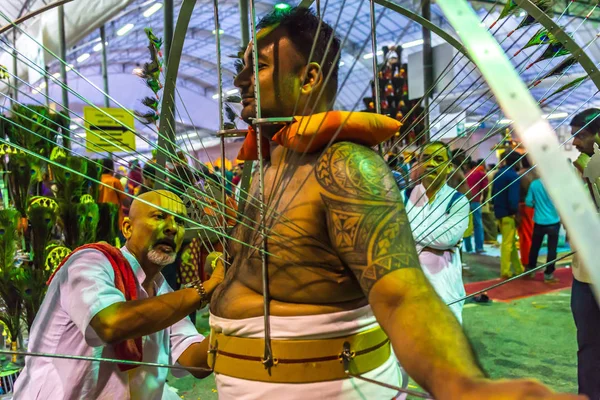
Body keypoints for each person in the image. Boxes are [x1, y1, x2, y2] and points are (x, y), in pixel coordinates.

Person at [207, 7, 579, 399]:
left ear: (309, 78)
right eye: (243, 65)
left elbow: (403, 295)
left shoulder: (343, 165)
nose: (241, 80)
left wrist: (464, 386)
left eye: (259, 66)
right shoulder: (268, 164)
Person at [13, 190, 225, 399]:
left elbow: (197, 361)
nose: (171, 228)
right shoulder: (89, 263)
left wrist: (234, 303)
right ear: (127, 228)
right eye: (159, 216)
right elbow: (110, 324)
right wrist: (206, 289)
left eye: (180, 222)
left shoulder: (161, 291)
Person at [404, 141, 470, 322]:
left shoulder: (457, 201)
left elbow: (446, 239)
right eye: (426, 158)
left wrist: (403, 230)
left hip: (444, 287)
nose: (431, 164)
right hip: (406, 283)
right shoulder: (403, 196)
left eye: (438, 159)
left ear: (449, 167)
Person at [570, 108, 600, 400]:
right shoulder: (581, 168)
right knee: (588, 344)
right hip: (583, 272)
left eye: (581, 135)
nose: (575, 142)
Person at [492, 151, 524, 279]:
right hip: (508, 214)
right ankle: (505, 271)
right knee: (507, 243)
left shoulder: (498, 174)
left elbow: (493, 193)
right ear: (517, 162)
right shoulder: (513, 176)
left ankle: (518, 269)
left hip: (499, 211)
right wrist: (515, 212)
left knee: (509, 241)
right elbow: (513, 198)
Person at [525, 176, 560, 283]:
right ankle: (548, 274)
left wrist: (537, 205)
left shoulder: (535, 184)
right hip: (553, 221)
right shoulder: (556, 184)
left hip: (539, 221)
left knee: (535, 247)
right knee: (552, 249)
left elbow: (528, 202)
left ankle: (530, 269)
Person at [98, 158, 132, 227]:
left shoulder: (96, 181)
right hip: (115, 220)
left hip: (100, 220)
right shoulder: (115, 182)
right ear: (112, 169)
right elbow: (125, 202)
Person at [465, 160, 488, 254]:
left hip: (465, 201)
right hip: (475, 201)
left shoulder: (466, 174)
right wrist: (484, 200)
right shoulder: (481, 174)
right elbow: (486, 188)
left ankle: (468, 248)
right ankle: (479, 247)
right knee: (478, 224)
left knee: (467, 224)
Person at [518, 156, 537, 267]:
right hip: (537, 206)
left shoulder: (519, 175)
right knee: (534, 234)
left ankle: (527, 261)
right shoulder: (538, 175)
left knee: (525, 236)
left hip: (524, 206)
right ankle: (532, 259)